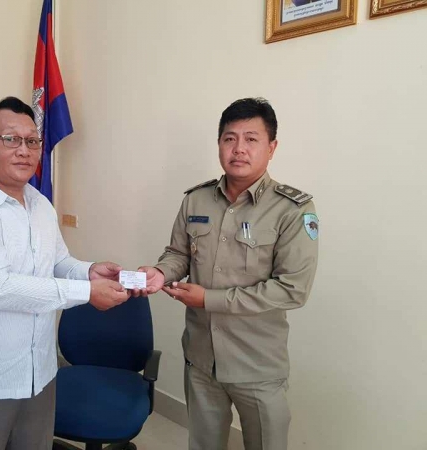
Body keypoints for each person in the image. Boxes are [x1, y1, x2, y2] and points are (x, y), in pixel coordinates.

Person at [0, 96, 130, 450]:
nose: (24, 150)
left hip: (39, 373)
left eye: (33, 141)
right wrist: (87, 293)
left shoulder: (40, 204)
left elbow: (58, 262)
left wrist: (89, 271)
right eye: (11, 139)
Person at [134, 98, 319, 450]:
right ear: (219, 143)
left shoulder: (292, 210)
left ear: (271, 147)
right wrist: (159, 272)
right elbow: (178, 254)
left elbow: (292, 289)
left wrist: (209, 299)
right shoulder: (196, 200)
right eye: (229, 138)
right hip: (201, 358)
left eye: (251, 139)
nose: (239, 149)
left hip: (257, 364)